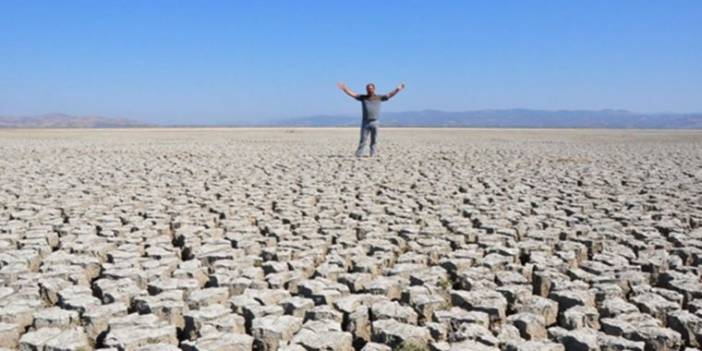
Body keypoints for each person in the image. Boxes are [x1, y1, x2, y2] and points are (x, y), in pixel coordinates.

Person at [337, 82, 406, 157]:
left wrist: (397, 89)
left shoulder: (379, 97)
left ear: (374, 89)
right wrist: (345, 89)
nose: (369, 90)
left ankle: (372, 154)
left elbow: (389, 95)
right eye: (368, 89)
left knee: (374, 140)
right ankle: (359, 154)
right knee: (363, 139)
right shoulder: (363, 97)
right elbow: (353, 94)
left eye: (371, 88)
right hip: (365, 122)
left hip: (375, 122)